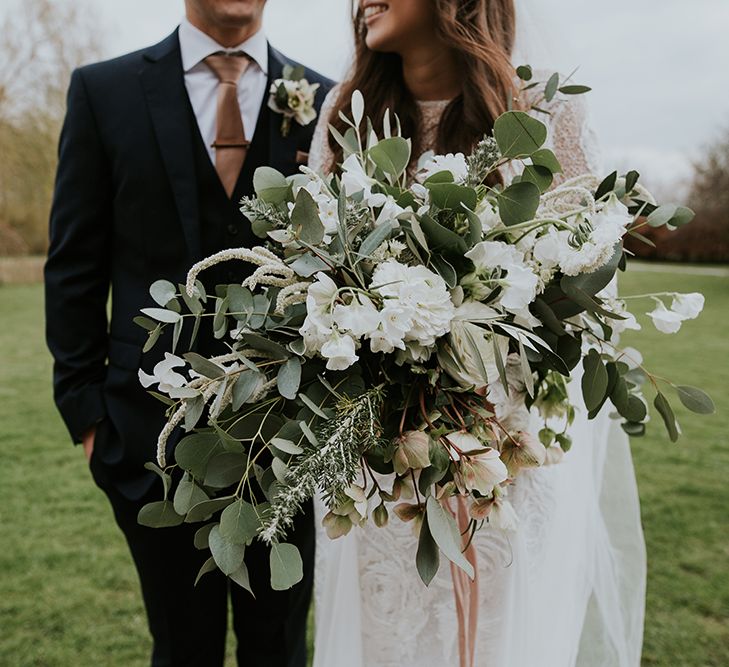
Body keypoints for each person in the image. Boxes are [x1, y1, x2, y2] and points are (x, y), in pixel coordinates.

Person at [308, 1, 646, 666]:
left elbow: (578, 286)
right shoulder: (347, 112)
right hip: (383, 460)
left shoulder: (543, 110)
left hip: (501, 453)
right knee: (390, 632)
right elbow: (313, 276)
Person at [44, 1, 333, 665]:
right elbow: (74, 267)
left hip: (289, 441)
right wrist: (90, 419)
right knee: (180, 647)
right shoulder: (103, 91)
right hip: (145, 440)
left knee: (280, 647)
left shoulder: (327, 100)